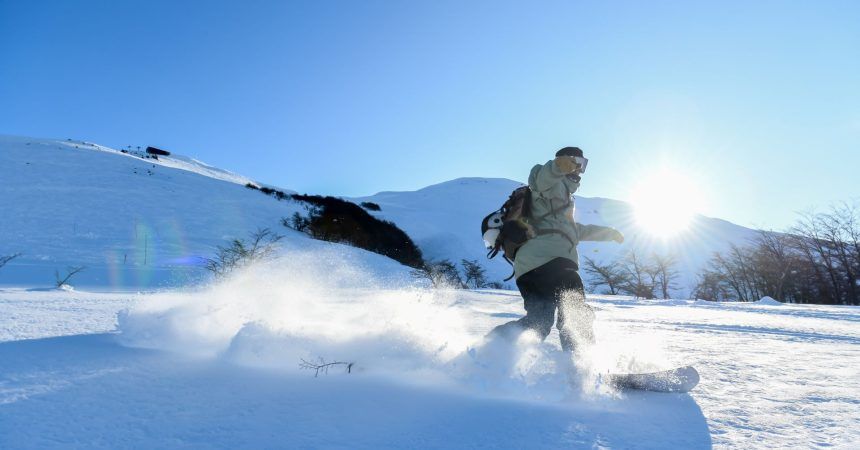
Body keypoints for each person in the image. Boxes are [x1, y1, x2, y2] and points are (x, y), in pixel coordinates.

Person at [488, 146, 624, 352]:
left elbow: (576, 231)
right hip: (550, 263)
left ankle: (493, 348)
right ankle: (579, 360)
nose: (580, 169)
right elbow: (540, 180)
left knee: (539, 321)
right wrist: (558, 166)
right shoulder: (551, 183)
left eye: (584, 165)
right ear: (566, 160)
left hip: (532, 267)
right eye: (578, 163)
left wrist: (608, 233)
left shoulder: (564, 202)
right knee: (574, 310)